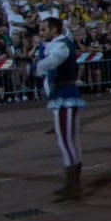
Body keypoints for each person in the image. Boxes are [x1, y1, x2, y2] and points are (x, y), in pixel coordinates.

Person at [32, 17, 85, 202]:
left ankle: (73, 184)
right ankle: (73, 182)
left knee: (66, 140)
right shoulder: (56, 44)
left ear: (54, 30)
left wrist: (35, 67)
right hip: (62, 96)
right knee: (69, 139)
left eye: (44, 28)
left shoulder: (61, 45)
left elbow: (53, 62)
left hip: (65, 96)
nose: (41, 31)